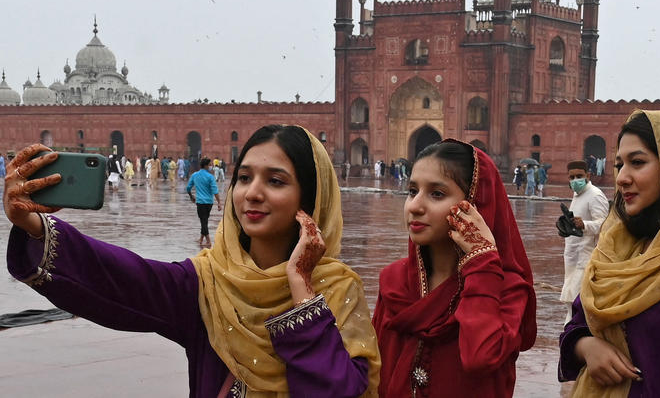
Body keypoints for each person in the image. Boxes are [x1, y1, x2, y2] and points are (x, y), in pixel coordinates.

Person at [3, 124, 381, 397]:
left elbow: (338, 392)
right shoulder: (208, 283)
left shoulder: (336, 289)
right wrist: (35, 225)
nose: (252, 193)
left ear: (310, 198)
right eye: (244, 177)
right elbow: (123, 279)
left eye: (276, 181)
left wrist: (300, 288)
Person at [373, 139, 536, 397]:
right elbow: (374, 376)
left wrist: (481, 262)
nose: (415, 206)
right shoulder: (394, 281)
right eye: (412, 191)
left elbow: (480, 357)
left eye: (436, 193)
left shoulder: (508, 290)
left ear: (475, 205)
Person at [559, 110, 660, 397]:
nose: (622, 177)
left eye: (637, 163)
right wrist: (586, 346)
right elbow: (576, 323)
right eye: (619, 164)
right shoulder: (619, 248)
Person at [559, 159, 609, 323]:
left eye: (579, 176)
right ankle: (569, 336)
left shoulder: (595, 195)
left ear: (588, 175)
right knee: (570, 301)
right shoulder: (577, 195)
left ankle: (574, 337)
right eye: (571, 177)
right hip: (573, 256)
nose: (575, 180)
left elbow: (605, 224)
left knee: (579, 302)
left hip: (587, 257)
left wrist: (585, 224)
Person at [186, 158, 222, 245]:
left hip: (200, 202)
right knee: (204, 220)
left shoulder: (195, 175)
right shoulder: (210, 177)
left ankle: (208, 241)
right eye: (210, 165)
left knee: (203, 221)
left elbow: (188, 188)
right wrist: (219, 203)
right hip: (209, 202)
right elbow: (215, 191)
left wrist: (191, 196)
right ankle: (202, 239)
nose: (211, 166)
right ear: (206, 166)